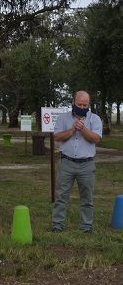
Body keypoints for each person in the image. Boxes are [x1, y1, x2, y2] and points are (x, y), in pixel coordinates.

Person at [52, 90, 102, 233]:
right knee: (61, 195)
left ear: (89, 105)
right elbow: (57, 136)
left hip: (87, 164)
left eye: (85, 104)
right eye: (79, 103)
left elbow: (96, 139)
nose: (81, 106)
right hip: (67, 162)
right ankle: (57, 225)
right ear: (73, 102)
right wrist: (72, 130)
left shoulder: (95, 119)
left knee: (87, 197)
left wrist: (83, 128)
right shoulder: (63, 118)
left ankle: (86, 226)